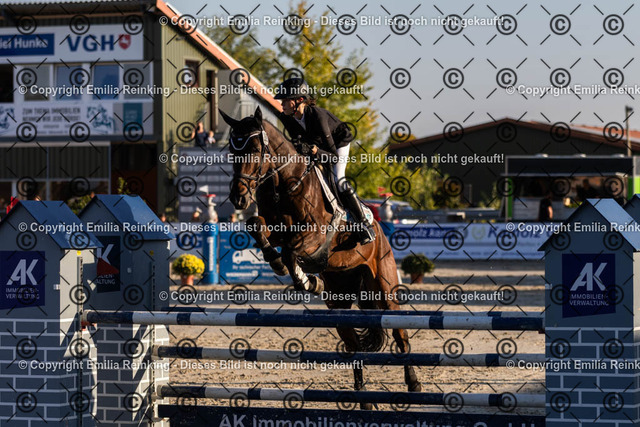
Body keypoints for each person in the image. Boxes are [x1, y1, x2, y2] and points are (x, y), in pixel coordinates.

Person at [274, 77, 375, 244]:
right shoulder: (287, 118)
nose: (282, 104)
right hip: (315, 146)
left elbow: (333, 156)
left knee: (339, 179)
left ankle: (363, 224)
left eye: (285, 100)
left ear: (300, 100)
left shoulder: (318, 116)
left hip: (338, 144)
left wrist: (315, 151)